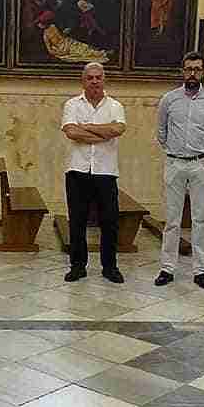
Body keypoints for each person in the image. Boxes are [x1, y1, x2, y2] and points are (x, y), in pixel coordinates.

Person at [154, 51, 204, 291]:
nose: (192, 73)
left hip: (201, 164)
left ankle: (200, 270)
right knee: (172, 220)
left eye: (197, 69)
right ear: (182, 71)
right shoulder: (169, 100)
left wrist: (199, 153)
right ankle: (167, 268)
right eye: (188, 69)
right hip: (174, 163)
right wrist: (175, 151)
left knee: (200, 219)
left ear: (203, 71)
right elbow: (161, 132)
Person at [61, 62, 126, 284]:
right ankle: (78, 266)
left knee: (109, 221)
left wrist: (86, 127)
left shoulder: (115, 105)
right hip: (77, 171)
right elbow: (71, 132)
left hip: (106, 172)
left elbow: (118, 129)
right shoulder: (71, 104)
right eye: (90, 78)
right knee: (77, 221)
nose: (95, 81)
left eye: (99, 77)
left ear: (104, 80)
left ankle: (110, 267)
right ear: (83, 81)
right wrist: (103, 132)